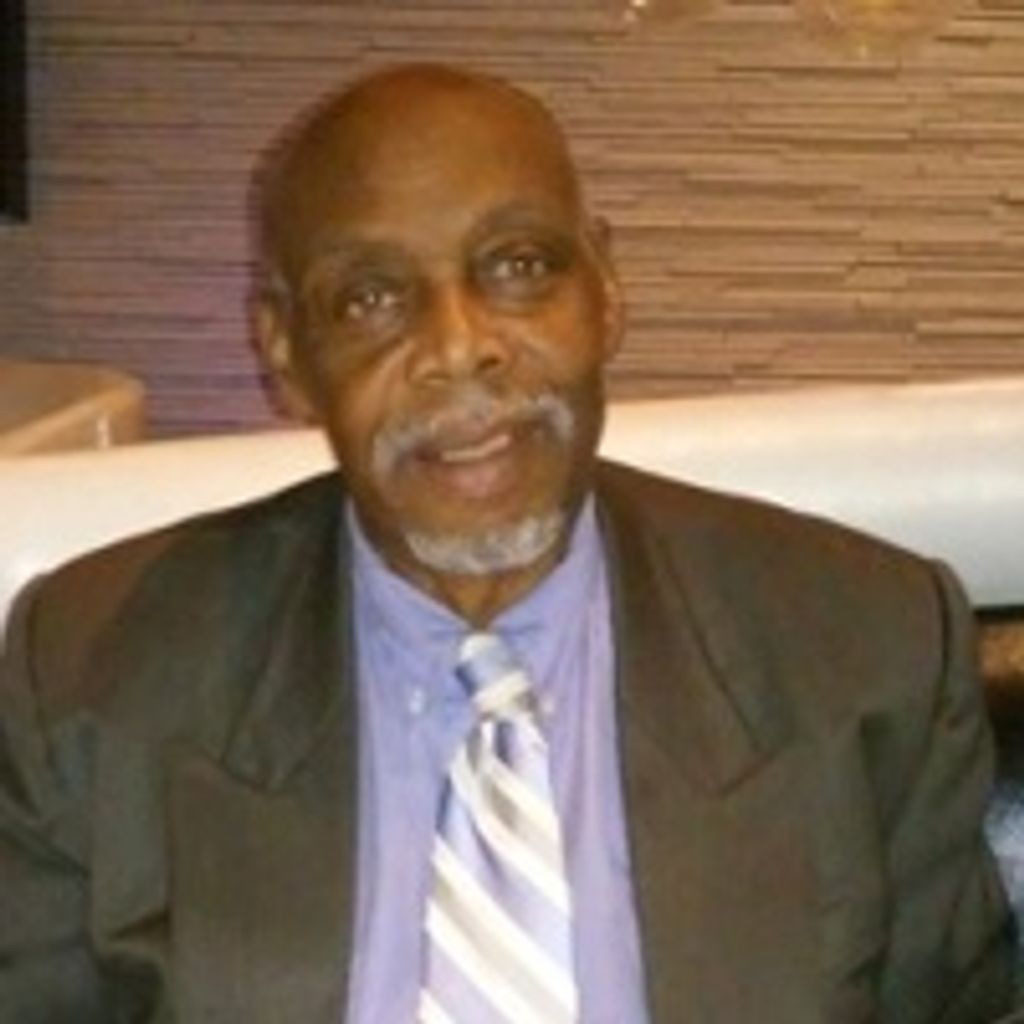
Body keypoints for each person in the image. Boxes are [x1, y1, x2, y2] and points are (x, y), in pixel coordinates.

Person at [0, 63, 1014, 1024]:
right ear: (284, 350)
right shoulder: (97, 674)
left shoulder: (860, 646)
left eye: (519, 267)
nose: (459, 346)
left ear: (605, 290)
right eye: (371, 296)